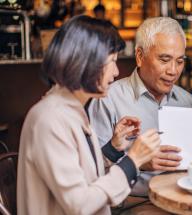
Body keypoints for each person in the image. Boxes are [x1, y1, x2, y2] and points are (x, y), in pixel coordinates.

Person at [17, 15, 161, 215]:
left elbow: (81, 174)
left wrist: (113, 148)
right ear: (86, 62)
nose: (117, 72)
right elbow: (79, 204)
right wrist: (133, 160)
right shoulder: (49, 119)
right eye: (112, 61)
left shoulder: (72, 110)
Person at [88, 17, 192, 198]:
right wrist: (139, 162)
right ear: (140, 56)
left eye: (180, 61)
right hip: (136, 202)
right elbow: (94, 171)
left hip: (188, 197)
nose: (173, 71)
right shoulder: (108, 99)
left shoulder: (188, 101)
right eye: (164, 60)